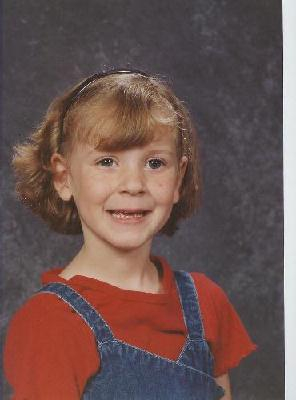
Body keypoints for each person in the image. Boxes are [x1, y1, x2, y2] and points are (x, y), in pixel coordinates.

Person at [4, 69, 256, 400]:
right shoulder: (49, 323)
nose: (134, 184)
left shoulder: (207, 303)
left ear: (178, 178)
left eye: (154, 163)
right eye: (107, 161)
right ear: (64, 178)